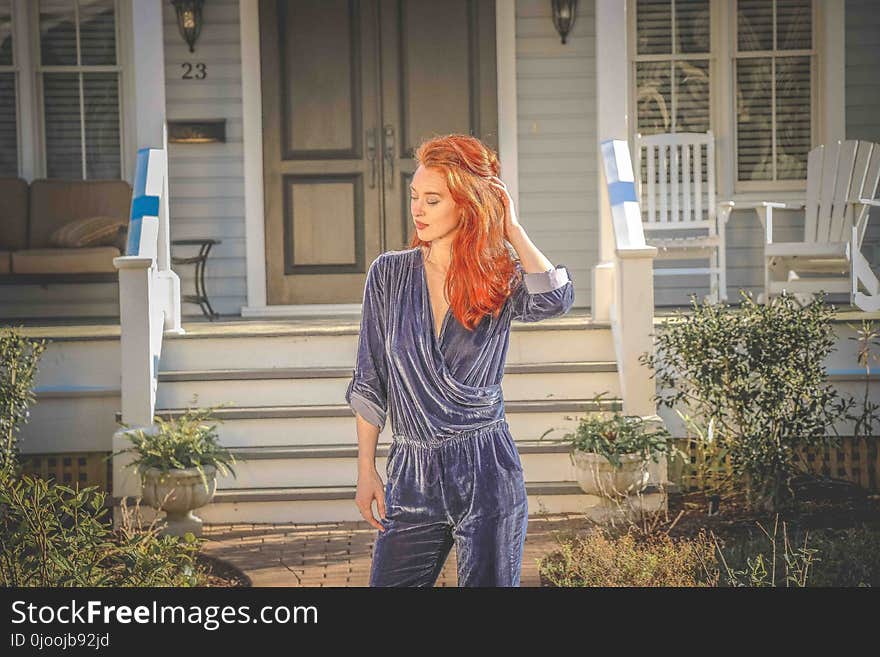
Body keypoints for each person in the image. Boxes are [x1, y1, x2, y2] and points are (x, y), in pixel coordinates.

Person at [345, 133, 574, 587]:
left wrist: (513, 230)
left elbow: (555, 301)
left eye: (433, 200)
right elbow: (371, 379)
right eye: (415, 198)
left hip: (487, 470)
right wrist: (366, 469)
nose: (418, 210)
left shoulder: (500, 275)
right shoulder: (389, 274)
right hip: (410, 473)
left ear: (466, 204)